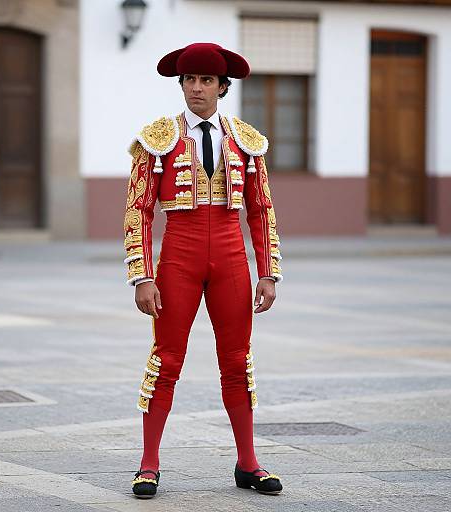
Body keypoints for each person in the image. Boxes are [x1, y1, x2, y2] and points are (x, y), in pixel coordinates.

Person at [124, 43, 283, 499]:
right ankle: (148, 464)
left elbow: (261, 210)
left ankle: (248, 463)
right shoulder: (159, 138)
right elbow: (138, 211)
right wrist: (143, 275)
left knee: (237, 361)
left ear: (222, 87)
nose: (196, 88)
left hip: (231, 259)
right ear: (181, 85)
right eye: (189, 80)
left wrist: (268, 271)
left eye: (206, 80)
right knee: (166, 360)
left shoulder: (246, 140)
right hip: (179, 257)